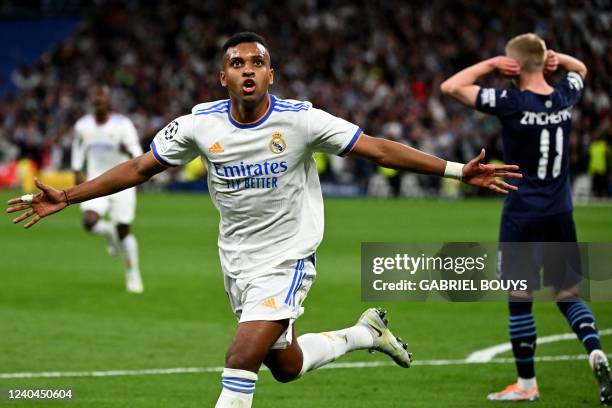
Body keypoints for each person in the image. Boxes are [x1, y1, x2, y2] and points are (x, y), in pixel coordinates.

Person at [8, 32, 521, 407]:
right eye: (237, 62)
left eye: (258, 62)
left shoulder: (300, 118)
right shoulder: (197, 124)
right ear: (223, 76)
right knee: (286, 366)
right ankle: (367, 334)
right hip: (237, 261)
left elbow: (379, 149)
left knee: (239, 359)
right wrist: (71, 196)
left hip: (289, 257)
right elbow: (142, 166)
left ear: (271, 74)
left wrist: (457, 171)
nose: (248, 69)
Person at [441, 33, 611, 405]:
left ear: (512, 65)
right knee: (568, 295)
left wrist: (489, 66)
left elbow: (451, 86)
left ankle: (526, 383)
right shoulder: (566, 95)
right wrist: (556, 58)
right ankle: (595, 349)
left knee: (520, 297)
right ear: (546, 62)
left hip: (521, 214)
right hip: (560, 211)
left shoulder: (510, 100)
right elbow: (579, 68)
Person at [71, 85, 144, 293]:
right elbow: (78, 147)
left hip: (122, 182)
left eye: (102, 98)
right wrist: (77, 169)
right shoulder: (82, 125)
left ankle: (132, 272)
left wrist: (127, 150)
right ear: (92, 102)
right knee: (89, 222)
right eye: (95, 99)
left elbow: (138, 154)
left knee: (124, 230)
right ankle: (108, 230)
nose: (99, 102)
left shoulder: (123, 125)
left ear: (108, 101)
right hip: (97, 180)